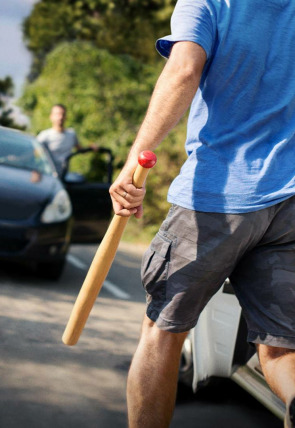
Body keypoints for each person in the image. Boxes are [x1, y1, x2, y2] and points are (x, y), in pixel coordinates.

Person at [109, 1, 295, 427]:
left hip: (217, 199)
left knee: (162, 333)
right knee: (282, 348)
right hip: (289, 202)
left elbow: (184, 71)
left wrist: (133, 165)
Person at [37, 104, 96, 175]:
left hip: (64, 176)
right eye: (57, 114)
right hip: (48, 175)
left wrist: (91, 148)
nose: (60, 117)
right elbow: (33, 154)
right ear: (51, 116)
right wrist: (35, 172)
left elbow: (81, 150)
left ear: (65, 117)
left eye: (63, 114)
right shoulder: (44, 136)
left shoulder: (71, 134)